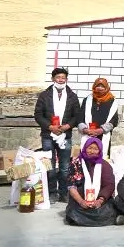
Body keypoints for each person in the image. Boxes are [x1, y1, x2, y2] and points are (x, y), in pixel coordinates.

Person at [34, 67, 81, 203]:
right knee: (50, 166)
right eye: (58, 77)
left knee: (65, 166)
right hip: (48, 134)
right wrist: (50, 127)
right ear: (53, 79)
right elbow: (38, 114)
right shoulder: (44, 95)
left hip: (65, 135)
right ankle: (52, 192)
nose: (60, 80)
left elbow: (77, 115)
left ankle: (64, 192)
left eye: (63, 78)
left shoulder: (72, 96)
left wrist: (67, 126)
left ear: (66, 79)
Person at [64, 137, 117, 227]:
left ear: (100, 151)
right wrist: (81, 201)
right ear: (85, 148)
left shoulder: (105, 165)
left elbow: (109, 185)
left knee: (109, 210)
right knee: (73, 213)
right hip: (80, 200)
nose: (92, 151)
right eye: (90, 148)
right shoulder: (76, 163)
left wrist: (100, 201)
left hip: (99, 201)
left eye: (95, 149)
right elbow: (71, 186)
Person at [78, 78, 119, 157]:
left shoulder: (112, 101)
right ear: (94, 87)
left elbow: (114, 120)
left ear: (106, 88)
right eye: (98, 86)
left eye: (102, 86)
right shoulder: (87, 100)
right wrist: (85, 129)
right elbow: (80, 116)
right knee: (86, 159)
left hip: (103, 135)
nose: (100, 88)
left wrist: (101, 130)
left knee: (101, 161)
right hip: (88, 134)